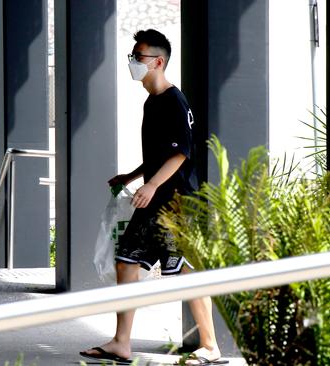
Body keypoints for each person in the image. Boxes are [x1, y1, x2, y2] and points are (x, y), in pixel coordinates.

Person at [80, 29, 226, 366]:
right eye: (132, 56)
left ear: (158, 62)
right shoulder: (152, 101)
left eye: (139, 57)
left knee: (187, 273)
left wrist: (150, 185)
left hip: (178, 205)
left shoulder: (174, 101)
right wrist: (133, 177)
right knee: (126, 262)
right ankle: (121, 342)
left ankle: (210, 346)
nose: (133, 63)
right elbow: (161, 153)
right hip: (156, 201)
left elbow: (180, 154)